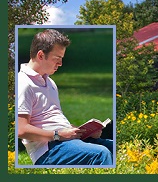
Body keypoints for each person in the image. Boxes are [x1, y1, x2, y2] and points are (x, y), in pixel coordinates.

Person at [16, 29, 113, 166]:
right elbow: (21, 130)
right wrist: (58, 135)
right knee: (101, 153)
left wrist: (82, 132)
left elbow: (55, 122)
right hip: (48, 151)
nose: (60, 64)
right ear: (41, 55)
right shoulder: (24, 83)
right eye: (57, 59)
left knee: (114, 147)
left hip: (65, 142)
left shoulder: (49, 82)